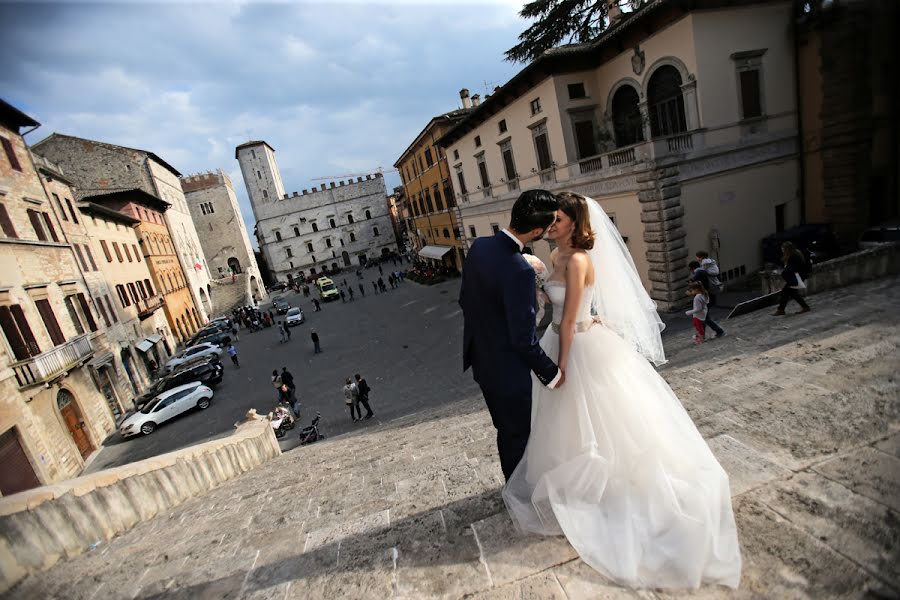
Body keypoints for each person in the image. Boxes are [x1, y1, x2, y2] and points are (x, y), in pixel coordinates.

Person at [501, 191, 741, 589]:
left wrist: (558, 368)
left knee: (601, 420)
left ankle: (611, 488)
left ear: (575, 225)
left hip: (577, 347)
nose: (551, 225)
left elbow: (572, 319)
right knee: (565, 425)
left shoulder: (578, 260)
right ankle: (581, 483)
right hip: (558, 341)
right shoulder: (556, 258)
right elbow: (553, 308)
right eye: (551, 220)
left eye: (559, 220)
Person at [459, 189, 564, 482]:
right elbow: (523, 340)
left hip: (482, 360)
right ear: (536, 231)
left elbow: (465, 300)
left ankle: (515, 489)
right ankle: (521, 496)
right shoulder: (519, 269)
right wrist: (552, 375)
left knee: (506, 432)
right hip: (508, 371)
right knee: (518, 435)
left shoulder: (479, 246)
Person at [773, 241, 812, 316]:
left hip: (796, 278)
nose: (782, 250)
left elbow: (792, 268)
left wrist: (783, 272)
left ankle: (781, 310)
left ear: (787, 249)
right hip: (796, 277)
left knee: (787, 292)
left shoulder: (794, 256)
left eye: (783, 249)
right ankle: (781, 310)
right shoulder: (793, 254)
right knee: (791, 293)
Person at [688, 261, 725, 338]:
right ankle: (702, 334)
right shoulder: (703, 271)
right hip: (707, 296)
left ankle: (719, 331)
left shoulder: (698, 274)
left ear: (691, 268)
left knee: (705, 317)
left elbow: (696, 286)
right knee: (703, 317)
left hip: (703, 297)